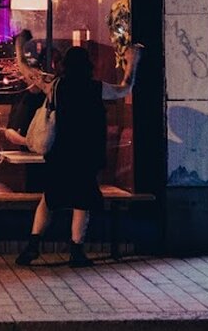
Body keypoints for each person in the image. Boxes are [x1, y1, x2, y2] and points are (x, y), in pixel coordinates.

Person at [13, 31, 143, 268]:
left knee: (49, 199)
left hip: (59, 153)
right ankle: (76, 251)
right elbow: (125, 88)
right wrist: (132, 61)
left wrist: (20, 45)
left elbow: (24, 69)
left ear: (64, 66)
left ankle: (33, 245)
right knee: (81, 202)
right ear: (88, 66)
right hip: (85, 154)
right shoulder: (97, 88)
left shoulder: (54, 85)